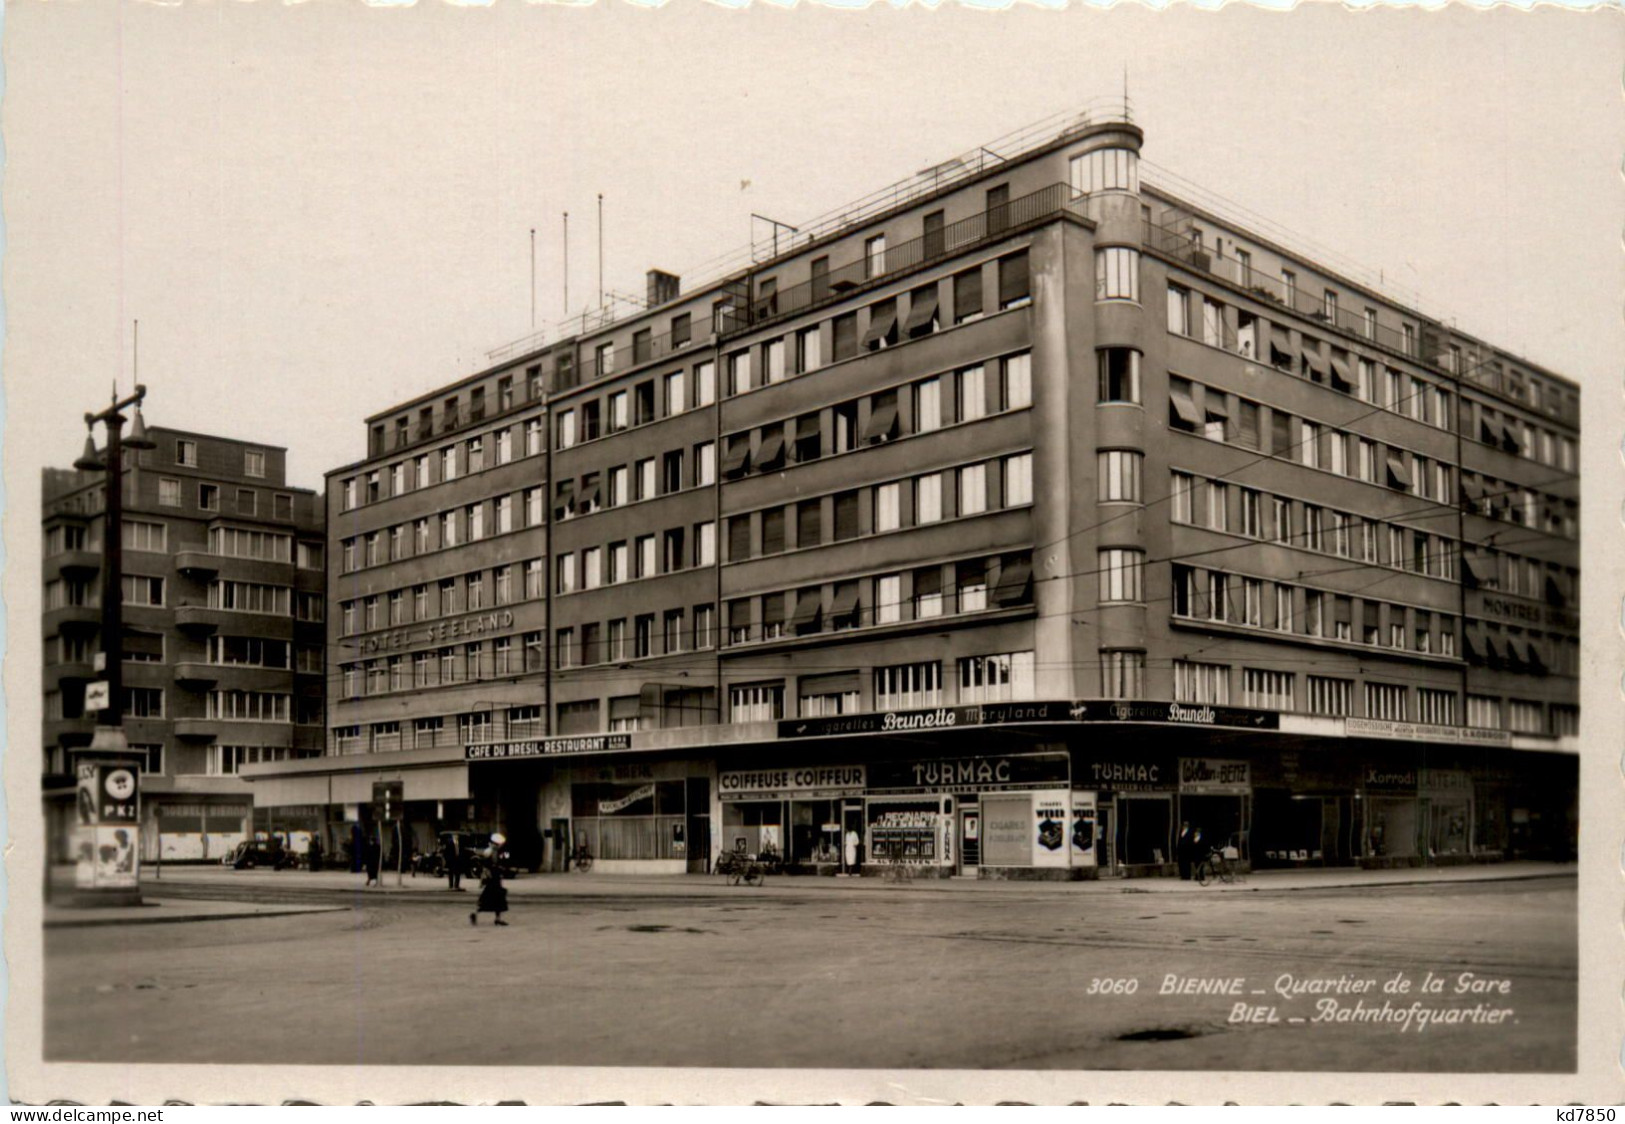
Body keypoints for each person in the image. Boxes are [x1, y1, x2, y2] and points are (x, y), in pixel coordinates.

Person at [471, 833, 510, 926]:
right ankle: (475, 914)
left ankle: (497, 918)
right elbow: (487, 865)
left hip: (495, 878)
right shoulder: (489, 852)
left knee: (497, 899)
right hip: (492, 879)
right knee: (489, 899)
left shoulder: (493, 851)